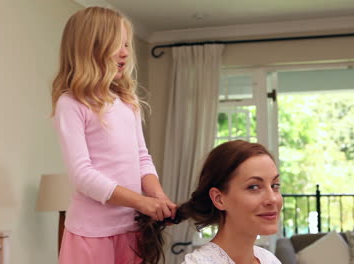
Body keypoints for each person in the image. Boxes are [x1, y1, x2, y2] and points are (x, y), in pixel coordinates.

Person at [51, 7, 176, 264]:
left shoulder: (128, 102)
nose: (125, 52)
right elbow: (82, 175)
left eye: (127, 44)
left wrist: (158, 196)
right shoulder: (71, 103)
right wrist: (141, 203)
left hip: (131, 230)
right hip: (92, 234)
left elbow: (142, 158)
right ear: (90, 48)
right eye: (116, 45)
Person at [136, 140, 282, 264]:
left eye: (275, 185)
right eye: (254, 187)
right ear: (219, 199)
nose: (273, 199)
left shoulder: (269, 260)